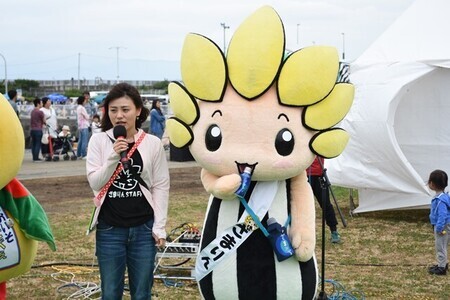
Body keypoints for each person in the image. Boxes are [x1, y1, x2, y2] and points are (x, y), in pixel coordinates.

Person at [86, 83, 170, 299]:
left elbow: (160, 185)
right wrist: (114, 157)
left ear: (138, 111)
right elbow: (95, 183)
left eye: (125, 109)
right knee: (111, 292)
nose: (119, 116)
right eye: (113, 110)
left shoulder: (152, 143)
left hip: (143, 229)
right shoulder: (99, 141)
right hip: (110, 230)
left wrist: (159, 226)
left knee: (142, 293)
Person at [307, 156, 341, 243]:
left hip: (319, 176)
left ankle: (334, 231)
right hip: (304, 176)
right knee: (302, 207)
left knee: (326, 204)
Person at [427, 169, 450, 276]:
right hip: (441, 225)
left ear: (433, 184)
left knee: (440, 246)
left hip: (442, 226)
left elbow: (443, 215)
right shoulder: (442, 197)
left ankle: (442, 268)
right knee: (441, 245)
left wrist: (439, 227)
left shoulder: (440, 200)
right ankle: (442, 263)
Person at [30, 98, 46, 162]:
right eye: (41, 103)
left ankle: (34, 157)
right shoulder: (40, 112)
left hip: (32, 130)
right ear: (38, 104)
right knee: (38, 144)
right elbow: (44, 121)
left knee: (33, 144)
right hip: (38, 129)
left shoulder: (32, 111)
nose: (42, 104)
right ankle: (36, 158)